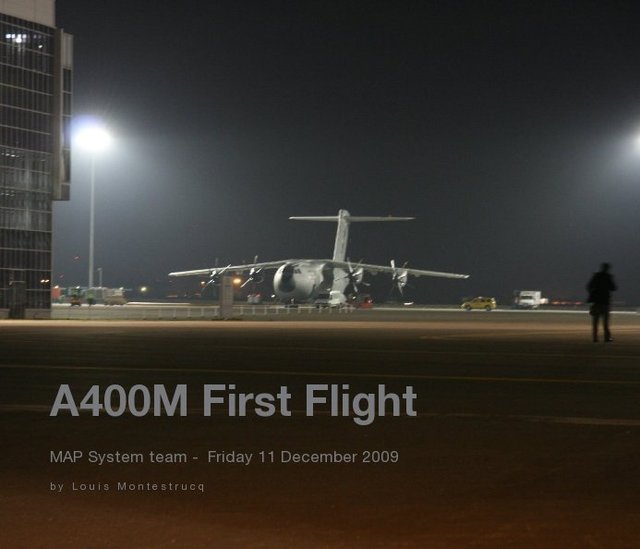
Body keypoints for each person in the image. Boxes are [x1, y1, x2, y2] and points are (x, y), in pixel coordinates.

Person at [587, 263, 617, 342]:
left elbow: (589, 286)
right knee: (605, 322)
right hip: (605, 302)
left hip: (596, 302)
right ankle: (607, 337)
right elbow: (613, 287)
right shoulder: (608, 276)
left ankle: (595, 337)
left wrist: (592, 294)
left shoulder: (596, 276)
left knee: (595, 321)